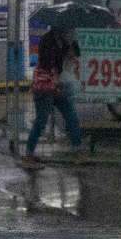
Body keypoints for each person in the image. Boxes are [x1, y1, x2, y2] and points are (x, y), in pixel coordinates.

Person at [23, 27, 83, 169]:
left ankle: (77, 151)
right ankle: (28, 155)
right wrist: (56, 76)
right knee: (41, 121)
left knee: (71, 116)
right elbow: (47, 63)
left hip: (55, 87)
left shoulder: (63, 40)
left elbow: (74, 54)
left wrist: (70, 52)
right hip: (44, 87)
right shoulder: (49, 40)